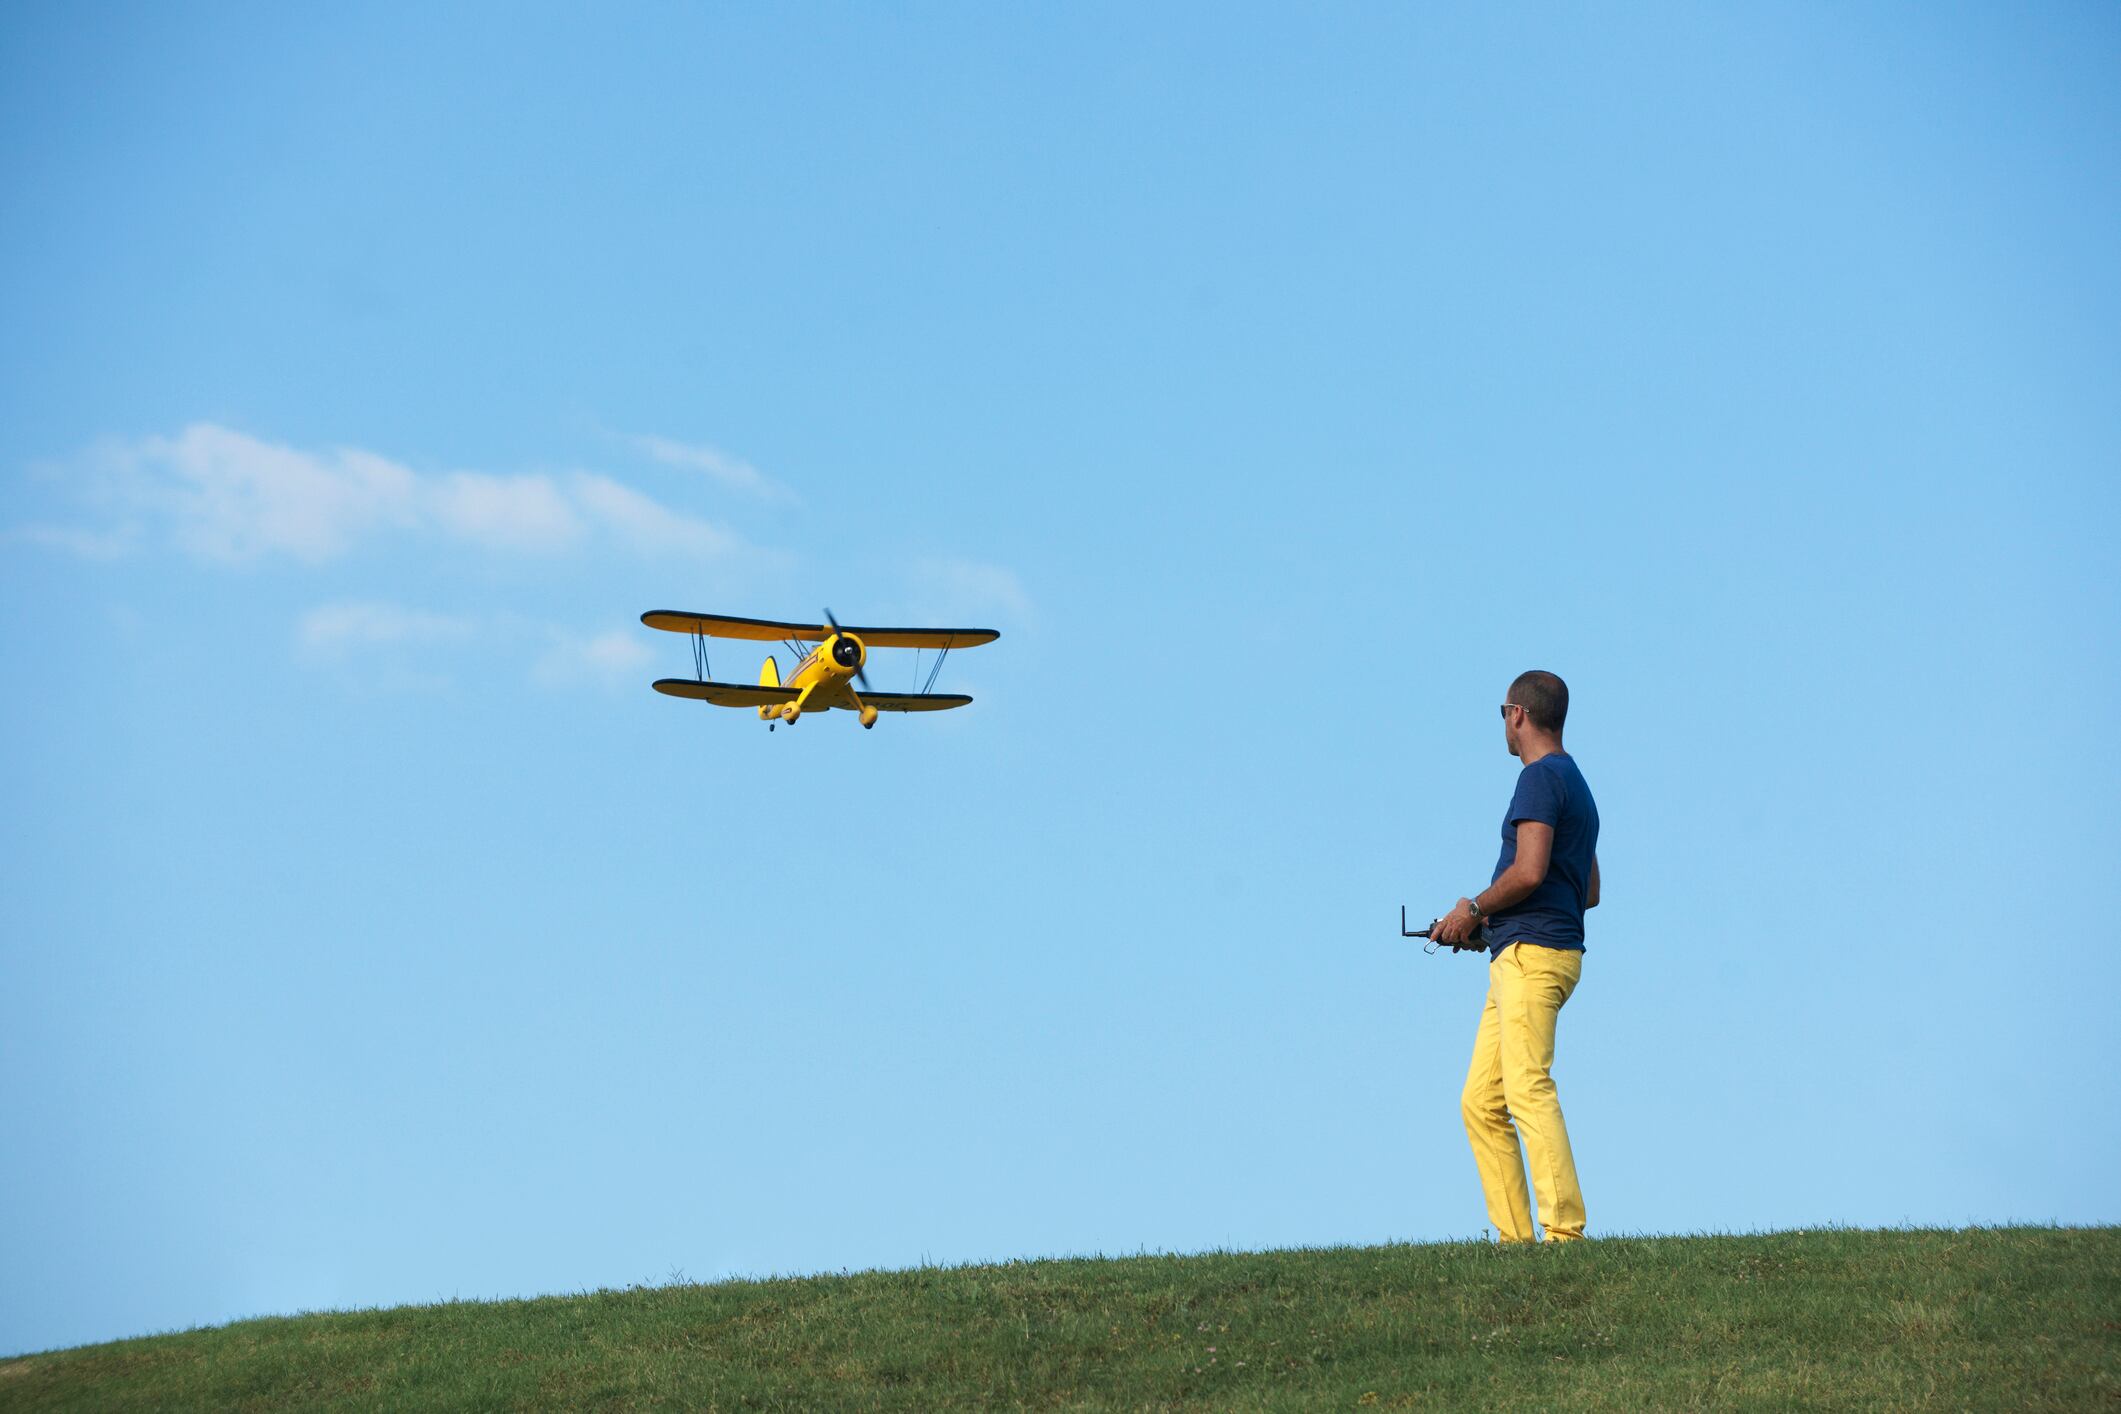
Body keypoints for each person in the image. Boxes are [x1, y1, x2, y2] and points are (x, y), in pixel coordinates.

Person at [1431, 670, 1600, 1243]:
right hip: (1530, 951)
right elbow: (1589, 889)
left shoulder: (1537, 779)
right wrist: (1492, 926)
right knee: (1481, 1100)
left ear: (1519, 714)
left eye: (1502, 711)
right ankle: (1515, 1240)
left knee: (1527, 1085)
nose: (1503, 722)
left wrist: (1473, 909)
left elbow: (1528, 871)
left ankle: (1564, 1234)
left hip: (1533, 956)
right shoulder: (1576, 783)